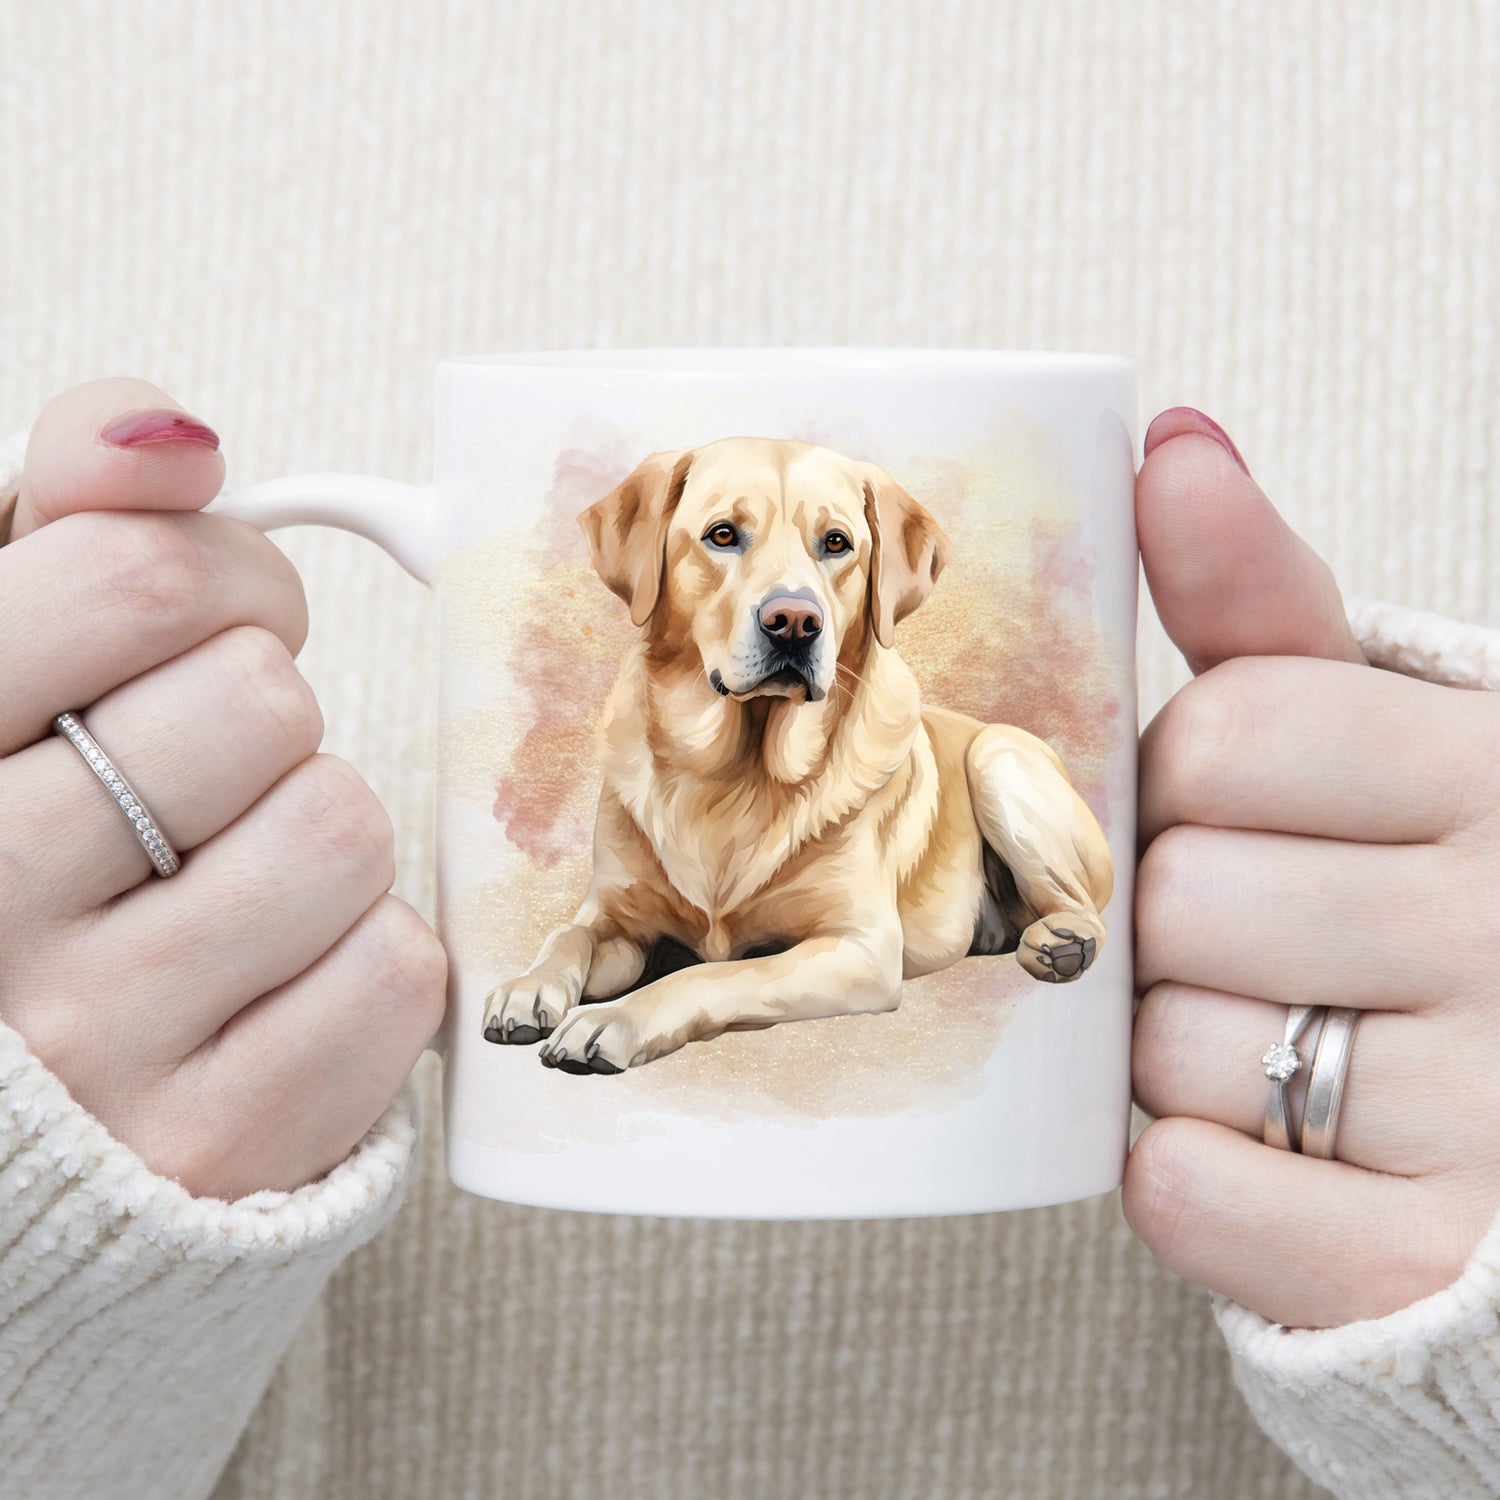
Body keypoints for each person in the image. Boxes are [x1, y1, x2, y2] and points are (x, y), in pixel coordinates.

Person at [1, 380, 1498, 1500]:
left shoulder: (888, 724)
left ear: (877, 586)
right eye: (728, 542)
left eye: (830, 558)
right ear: (648, 562)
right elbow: (613, 923)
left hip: (929, 844)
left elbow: (854, 964)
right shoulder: (634, 754)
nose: (786, 596)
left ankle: (1037, 906)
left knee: (997, 784)